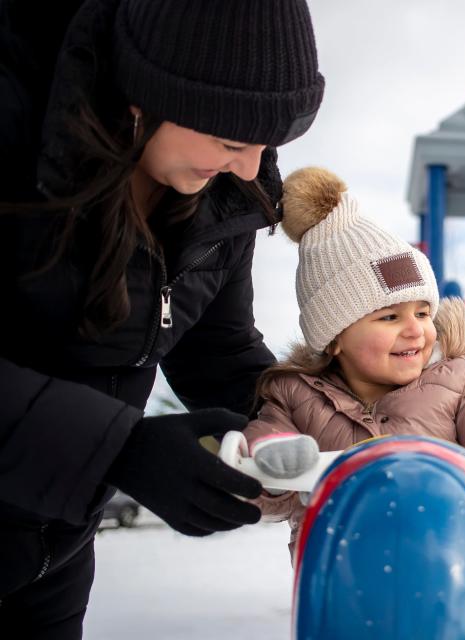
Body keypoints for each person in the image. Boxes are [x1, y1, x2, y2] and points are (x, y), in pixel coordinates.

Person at [0, 0, 324, 636]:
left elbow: (219, 348)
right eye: (232, 141)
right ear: (149, 93)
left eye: (268, 143)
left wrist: (333, 427)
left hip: (51, 561)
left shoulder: (226, 192)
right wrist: (119, 451)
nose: (252, 168)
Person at [241, 167, 465, 640]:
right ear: (335, 337)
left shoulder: (459, 381)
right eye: (390, 316)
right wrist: (271, 461)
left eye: (423, 311)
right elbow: (267, 449)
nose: (416, 329)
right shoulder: (296, 398)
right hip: (348, 597)